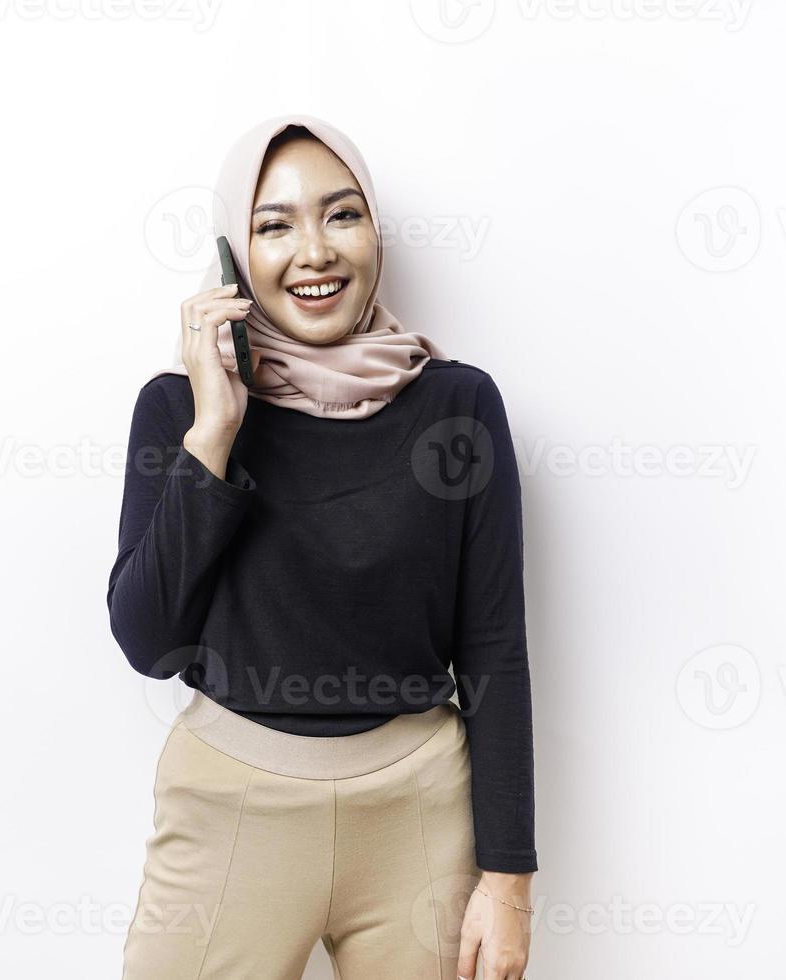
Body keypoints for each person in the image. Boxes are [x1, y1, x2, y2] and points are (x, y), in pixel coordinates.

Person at [108, 113, 536, 980]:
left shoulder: (458, 408)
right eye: (274, 224)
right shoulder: (179, 412)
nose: (315, 250)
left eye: (342, 215)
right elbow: (148, 645)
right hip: (229, 805)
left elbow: (494, 650)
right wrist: (216, 431)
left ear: (375, 231)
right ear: (234, 255)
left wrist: (509, 880)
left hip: (418, 811)